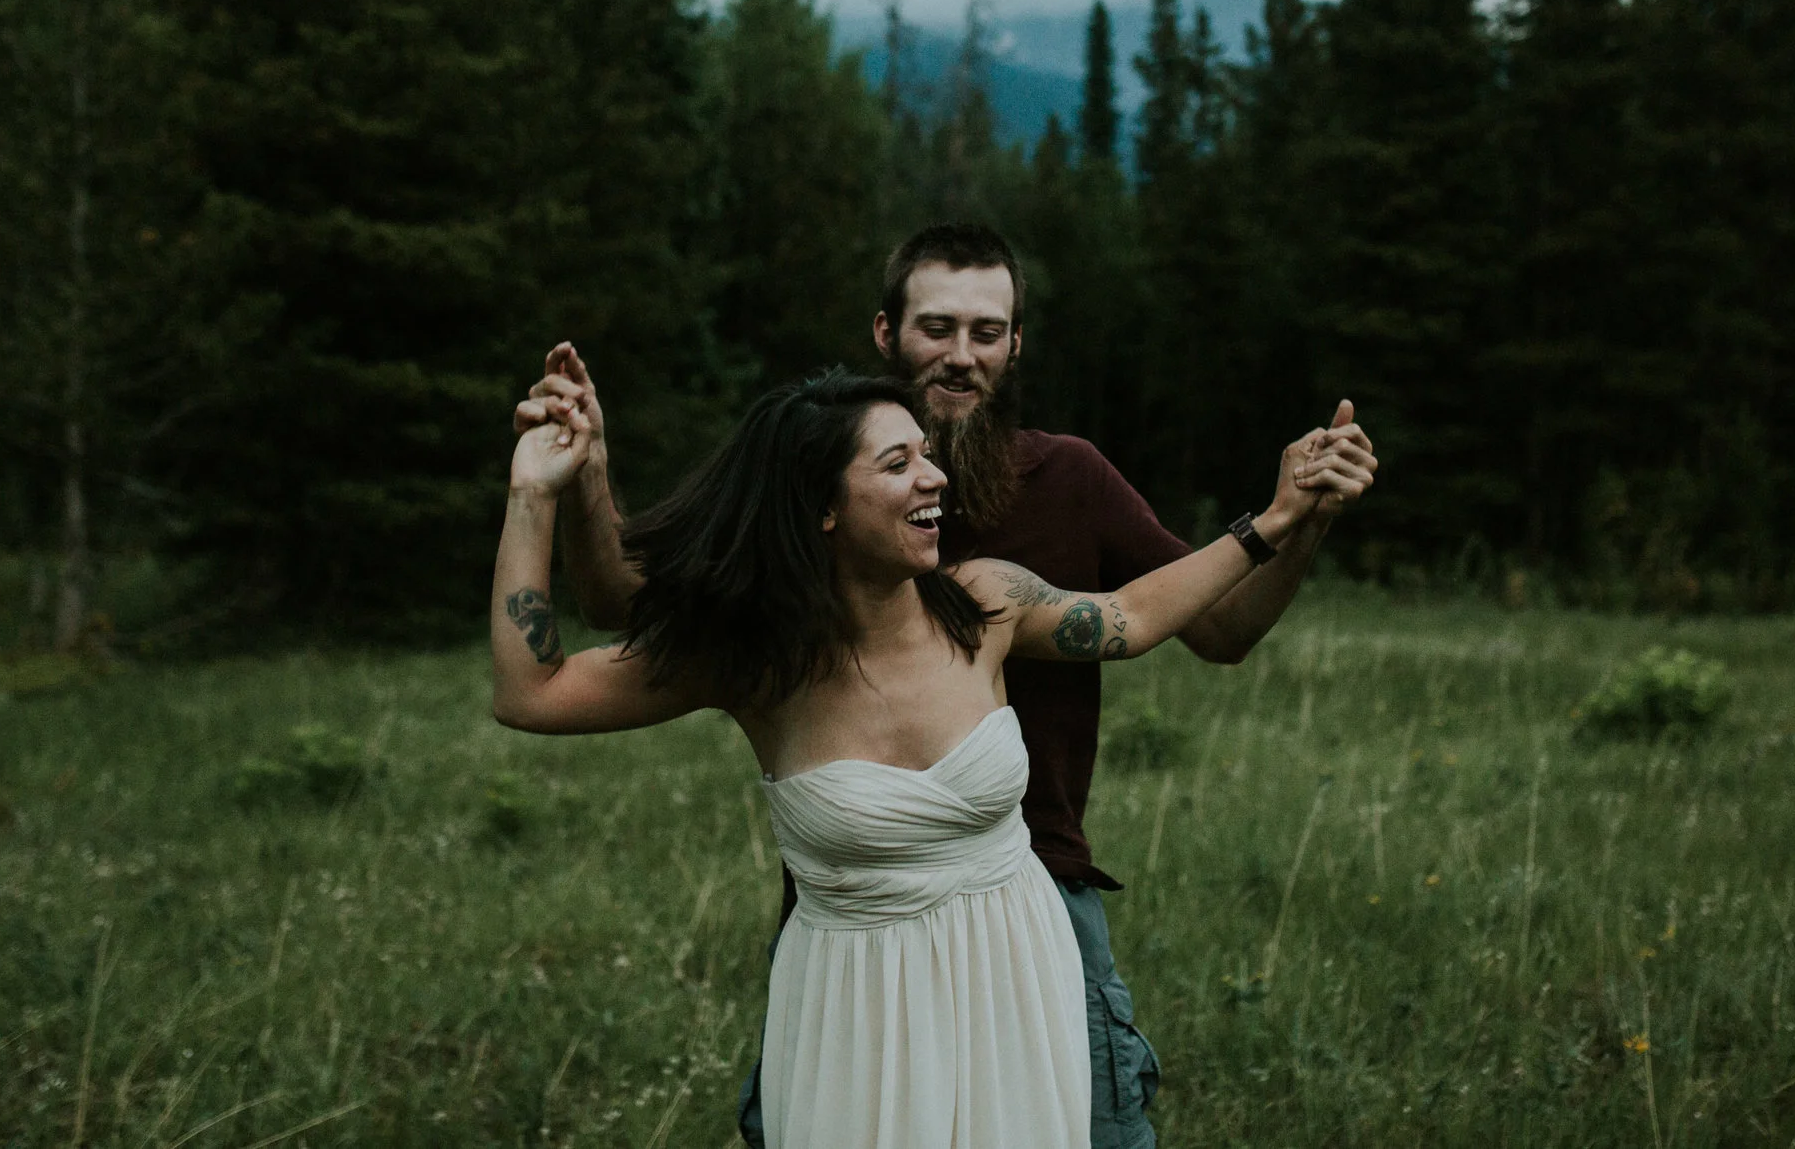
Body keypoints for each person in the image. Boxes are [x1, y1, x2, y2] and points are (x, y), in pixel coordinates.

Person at [517, 223, 1377, 1147]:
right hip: (854, 904)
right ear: (887, 332)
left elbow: (1203, 625)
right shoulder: (799, 507)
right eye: (937, 327)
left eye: (986, 331)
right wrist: (579, 477)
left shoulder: (1058, 495)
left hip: (1036, 887)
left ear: (1015, 346)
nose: (961, 355)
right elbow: (628, 606)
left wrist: (1300, 519)